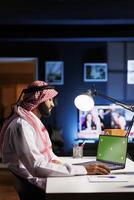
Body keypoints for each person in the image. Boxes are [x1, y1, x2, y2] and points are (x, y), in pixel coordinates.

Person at [0, 80, 110, 191]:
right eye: (49, 99)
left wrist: (69, 165)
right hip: (36, 186)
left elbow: (49, 157)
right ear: (39, 100)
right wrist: (83, 170)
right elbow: (36, 166)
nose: (52, 104)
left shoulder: (31, 122)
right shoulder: (22, 125)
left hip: (39, 179)